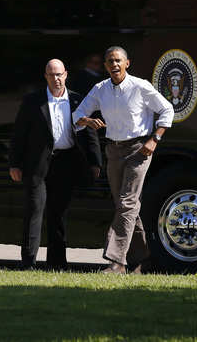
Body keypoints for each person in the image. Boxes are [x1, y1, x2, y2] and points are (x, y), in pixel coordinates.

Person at [73, 46, 174, 274]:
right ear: (105, 66)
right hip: (113, 151)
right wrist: (87, 121)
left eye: (118, 61)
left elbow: (167, 110)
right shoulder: (100, 89)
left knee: (127, 203)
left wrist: (154, 139)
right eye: (110, 61)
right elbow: (76, 116)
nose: (114, 65)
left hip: (139, 149)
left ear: (127, 63)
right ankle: (142, 260)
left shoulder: (140, 86)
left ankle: (116, 261)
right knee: (126, 206)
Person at [9, 59, 102, 270]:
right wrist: (15, 163)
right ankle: (28, 261)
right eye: (52, 75)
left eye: (59, 74)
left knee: (58, 214)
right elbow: (19, 134)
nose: (56, 79)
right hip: (38, 165)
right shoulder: (33, 101)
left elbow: (90, 134)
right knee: (35, 211)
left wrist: (95, 162)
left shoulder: (79, 101)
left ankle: (57, 263)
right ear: (46, 77)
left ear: (66, 75)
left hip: (65, 163)